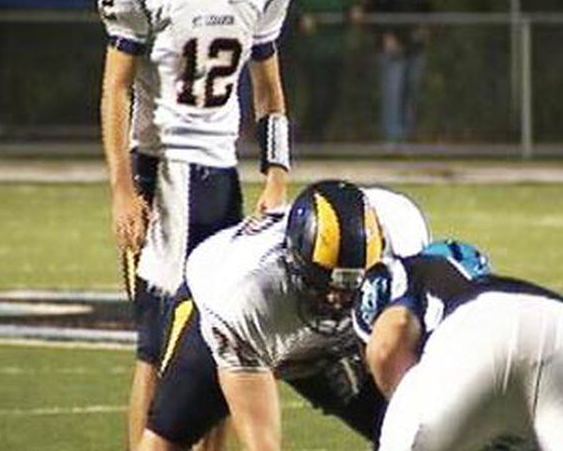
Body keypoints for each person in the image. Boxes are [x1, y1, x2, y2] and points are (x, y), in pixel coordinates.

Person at [95, 0, 292, 447]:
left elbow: (269, 91)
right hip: (163, 176)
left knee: (224, 342)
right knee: (157, 349)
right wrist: (122, 188)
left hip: (222, 178)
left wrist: (277, 176)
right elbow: (116, 89)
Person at [135, 180, 431, 451]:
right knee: (166, 440)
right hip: (237, 325)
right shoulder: (244, 294)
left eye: (351, 290)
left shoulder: (403, 237)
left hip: (337, 342)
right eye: (325, 287)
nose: (337, 301)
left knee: (423, 431)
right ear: (294, 261)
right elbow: (262, 444)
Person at [357, 242, 563, 450]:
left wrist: (402, 409)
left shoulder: (409, 273)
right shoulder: (487, 287)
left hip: (477, 329)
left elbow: (385, 347)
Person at [367, 0, 432, 145]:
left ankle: (408, 136)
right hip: (391, 48)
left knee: (411, 92)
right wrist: (386, 36)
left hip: (415, 47)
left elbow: (428, 11)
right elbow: (374, 12)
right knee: (392, 92)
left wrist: (423, 30)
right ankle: (392, 139)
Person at [292, 0, 355, 141]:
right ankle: (306, 133)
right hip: (311, 51)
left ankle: (317, 134)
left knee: (332, 96)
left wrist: (352, 12)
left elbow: (343, 7)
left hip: (333, 50)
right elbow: (292, 11)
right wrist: (302, 18)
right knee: (317, 94)